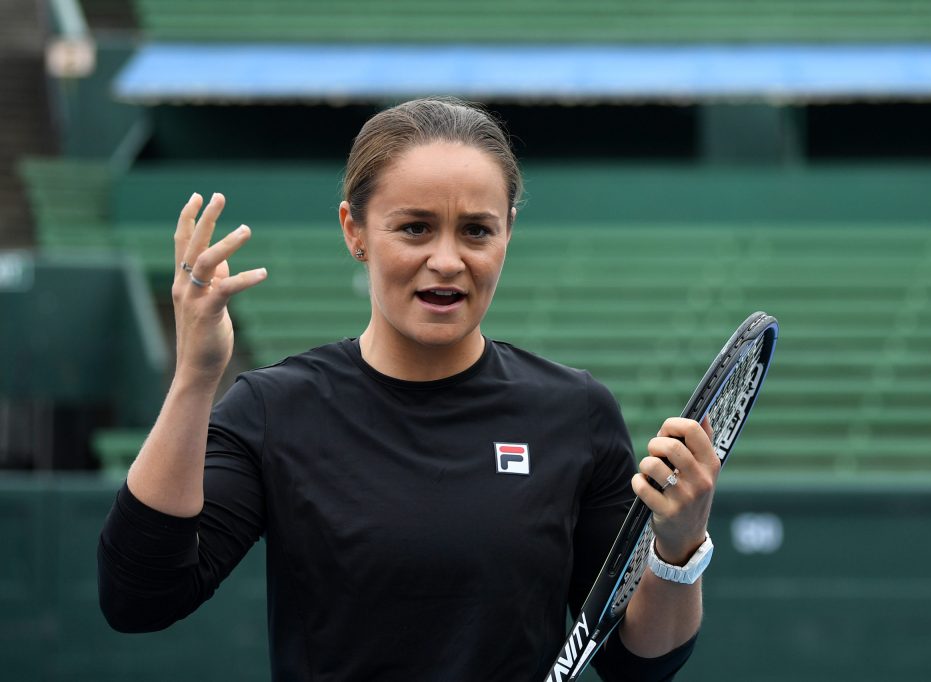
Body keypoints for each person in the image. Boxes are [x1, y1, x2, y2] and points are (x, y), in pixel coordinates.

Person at [97, 98, 721, 681]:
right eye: (416, 228)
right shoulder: (275, 409)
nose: (448, 260)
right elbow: (139, 597)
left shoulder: (575, 413)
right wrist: (196, 377)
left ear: (508, 231)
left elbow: (634, 662)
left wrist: (679, 546)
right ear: (355, 230)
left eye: (476, 231)